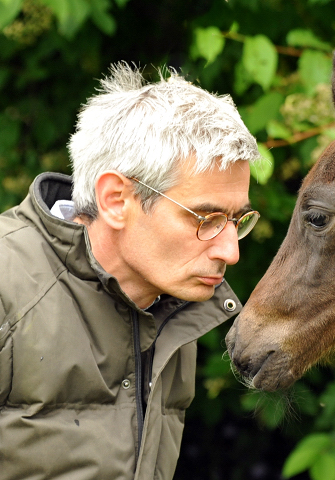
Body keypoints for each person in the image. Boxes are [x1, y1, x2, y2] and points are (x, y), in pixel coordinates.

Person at [0, 62, 260, 479]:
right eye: (206, 218)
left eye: (237, 221)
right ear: (116, 199)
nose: (230, 251)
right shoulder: (7, 285)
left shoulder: (174, 306)